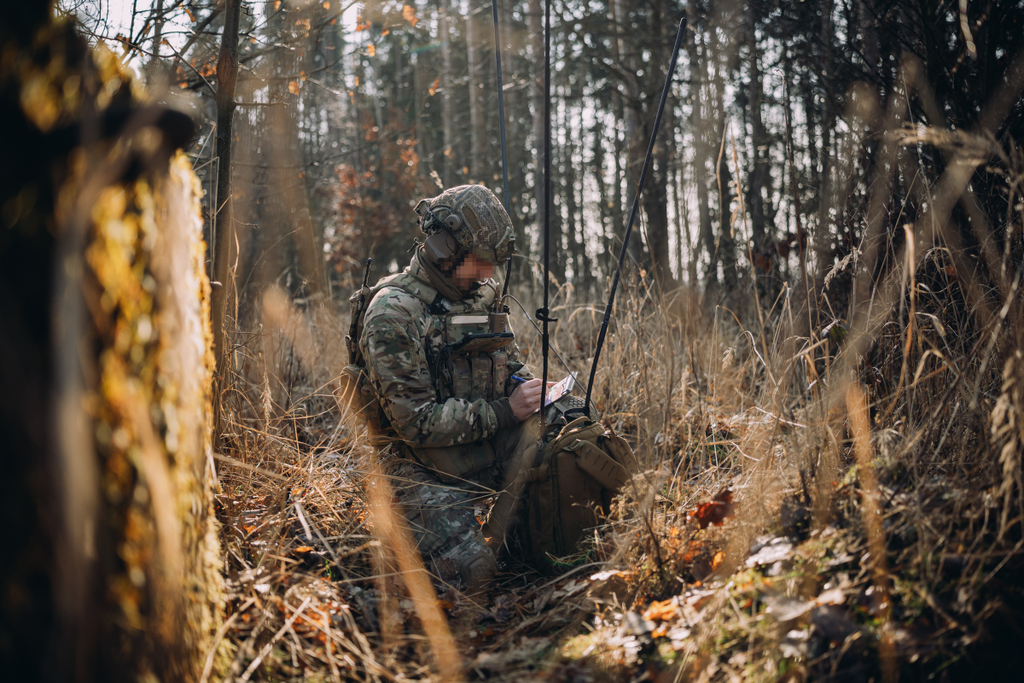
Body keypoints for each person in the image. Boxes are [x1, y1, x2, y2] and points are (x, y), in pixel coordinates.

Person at [357, 185, 548, 592]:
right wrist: (505, 411)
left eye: (493, 264)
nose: (488, 274)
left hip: (484, 448)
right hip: (417, 468)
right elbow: (415, 424)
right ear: (444, 248)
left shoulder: (481, 295)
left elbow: (508, 362)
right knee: (477, 573)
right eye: (480, 262)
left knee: (573, 450)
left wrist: (530, 388)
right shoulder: (393, 313)